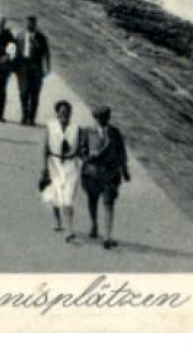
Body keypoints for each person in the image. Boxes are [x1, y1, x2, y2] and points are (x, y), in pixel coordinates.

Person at [79, 106, 130, 248]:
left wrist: (125, 170)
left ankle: (108, 235)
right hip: (92, 173)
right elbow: (81, 150)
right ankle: (94, 225)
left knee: (109, 203)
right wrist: (87, 158)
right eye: (100, 118)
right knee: (92, 200)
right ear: (95, 118)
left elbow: (122, 152)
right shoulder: (87, 132)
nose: (103, 121)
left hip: (110, 173)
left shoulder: (115, 133)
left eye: (105, 118)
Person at [41, 100, 84, 241]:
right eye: (61, 113)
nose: (64, 115)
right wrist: (44, 167)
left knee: (68, 197)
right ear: (57, 113)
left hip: (71, 164)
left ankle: (69, 229)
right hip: (54, 162)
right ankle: (57, 220)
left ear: (70, 114)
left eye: (66, 113)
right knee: (55, 194)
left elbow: (82, 149)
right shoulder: (50, 127)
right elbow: (45, 148)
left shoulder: (77, 129)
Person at [14, 16, 53, 126]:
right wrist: (14, 67)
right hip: (23, 67)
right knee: (23, 92)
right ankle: (24, 115)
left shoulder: (41, 38)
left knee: (34, 94)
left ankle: (31, 118)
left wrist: (47, 68)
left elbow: (46, 54)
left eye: (31, 24)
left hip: (36, 67)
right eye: (27, 23)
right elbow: (15, 52)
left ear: (35, 25)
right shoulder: (20, 36)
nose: (29, 25)